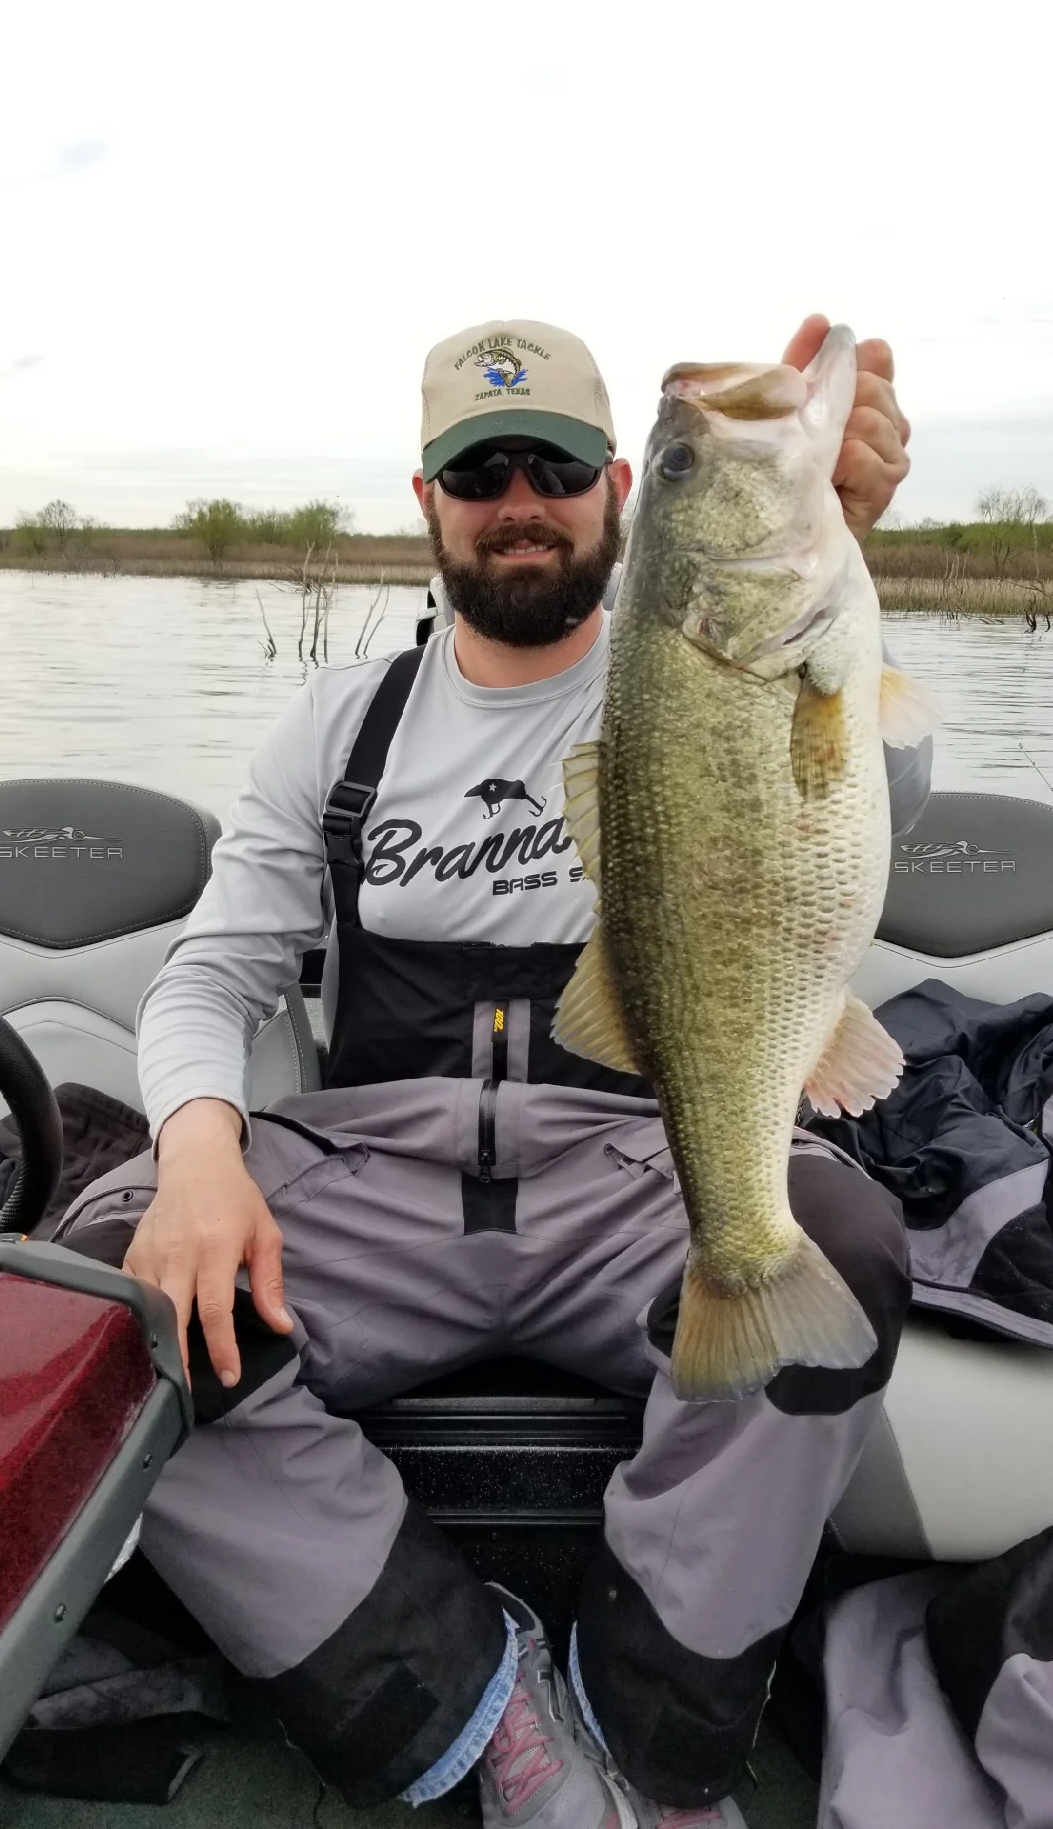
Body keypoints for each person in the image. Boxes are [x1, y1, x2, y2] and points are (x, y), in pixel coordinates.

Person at [56, 315, 924, 1827]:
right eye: (479, 469)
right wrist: (196, 1154)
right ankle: (465, 1700)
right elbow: (214, 970)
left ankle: (656, 1727)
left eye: (557, 464)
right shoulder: (343, 723)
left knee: (833, 1257)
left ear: (617, 497)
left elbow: (869, 789)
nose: (518, 496)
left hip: (635, 1152)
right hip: (381, 1166)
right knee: (104, 1303)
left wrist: (840, 530)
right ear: (428, 499)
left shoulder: (711, 660)